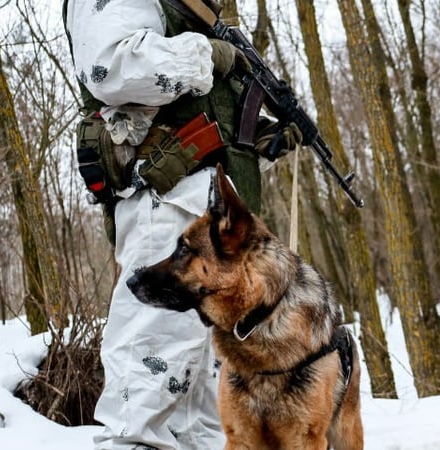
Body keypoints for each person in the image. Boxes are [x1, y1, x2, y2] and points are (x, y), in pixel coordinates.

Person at [65, 1, 297, 448]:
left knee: (207, 408)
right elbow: (109, 66)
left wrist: (256, 138)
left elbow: (202, 115)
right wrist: (206, 54)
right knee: (148, 388)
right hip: (165, 211)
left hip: (213, 230)